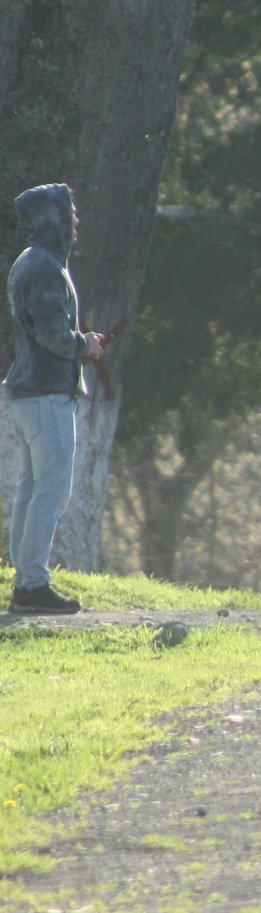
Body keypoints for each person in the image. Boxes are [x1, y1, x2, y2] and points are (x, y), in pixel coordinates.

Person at [5, 184, 103, 615]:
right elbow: (53, 335)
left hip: (29, 394)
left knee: (31, 489)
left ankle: (26, 580)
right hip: (46, 394)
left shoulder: (29, 262)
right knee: (51, 491)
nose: (73, 221)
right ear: (52, 217)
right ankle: (32, 584)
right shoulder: (45, 269)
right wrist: (86, 344)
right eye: (68, 213)